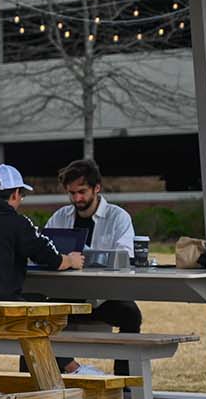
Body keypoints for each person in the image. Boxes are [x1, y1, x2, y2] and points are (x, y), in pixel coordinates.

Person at [0, 164, 87, 371]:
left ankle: (56, 372)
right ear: (15, 194)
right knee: (42, 312)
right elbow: (51, 258)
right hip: (0, 313)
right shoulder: (17, 223)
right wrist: (71, 260)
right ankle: (68, 370)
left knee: (33, 313)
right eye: (22, 195)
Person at [45, 158, 143, 376]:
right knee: (35, 316)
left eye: (82, 192)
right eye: (71, 193)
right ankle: (41, 382)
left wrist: (81, 258)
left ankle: (124, 382)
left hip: (104, 297)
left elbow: (125, 256)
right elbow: (46, 250)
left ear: (96, 188)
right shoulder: (60, 217)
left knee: (131, 314)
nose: (77, 198)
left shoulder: (118, 217)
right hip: (67, 296)